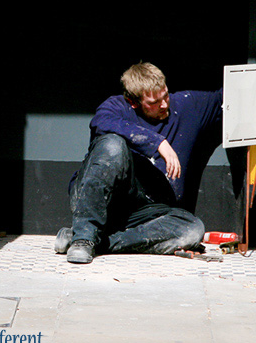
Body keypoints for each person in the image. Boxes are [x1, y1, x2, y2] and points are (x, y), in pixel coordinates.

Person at [55, 62, 223, 264]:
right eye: (154, 102)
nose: (164, 105)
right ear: (133, 102)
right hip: (98, 201)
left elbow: (227, 97)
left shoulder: (187, 105)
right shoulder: (116, 107)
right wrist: (157, 142)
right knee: (112, 144)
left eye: (166, 96)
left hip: (146, 213)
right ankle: (83, 238)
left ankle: (95, 241)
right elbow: (102, 121)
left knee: (192, 230)